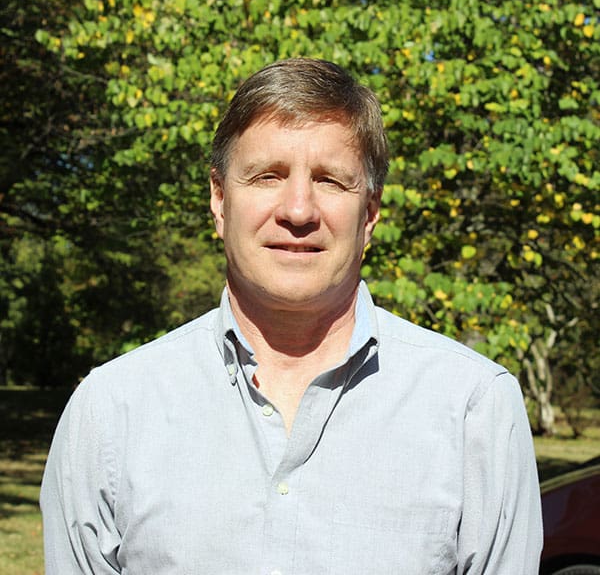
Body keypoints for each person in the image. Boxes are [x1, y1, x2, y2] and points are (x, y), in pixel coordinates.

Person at [41, 58, 543, 574]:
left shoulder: (474, 409)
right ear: (219, 200)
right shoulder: (111, 412)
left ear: (369, 214)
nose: (298, 211)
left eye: (330, 180)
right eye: (267, 176)